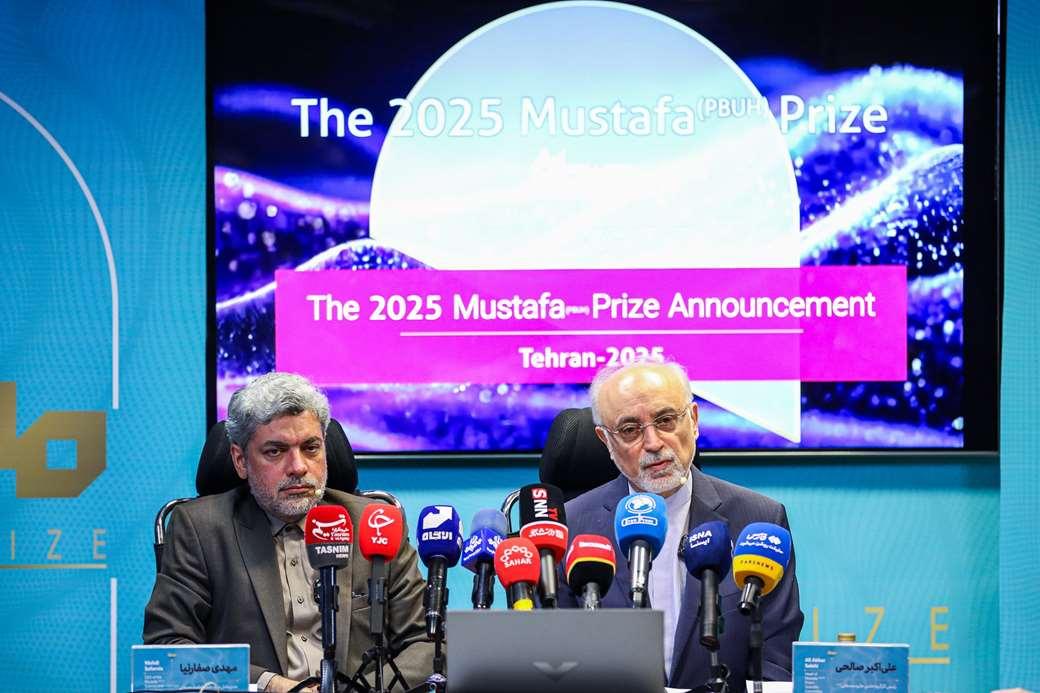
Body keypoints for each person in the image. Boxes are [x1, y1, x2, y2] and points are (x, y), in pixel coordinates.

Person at [144, 372, 433, 692]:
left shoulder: (375, 524)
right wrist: (269, 685)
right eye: (275, 451)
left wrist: (359, 690)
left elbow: (427, 643)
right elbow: (168, 650)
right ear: (240, 460)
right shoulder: (201, 529)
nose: (298, 467)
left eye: (311, 448)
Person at [557, 359, 803, 687]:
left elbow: (775, 664)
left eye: (666, 420)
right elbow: (555, 666)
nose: (653, 442)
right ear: (606, 441)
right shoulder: (570, 528)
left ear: (694, 421)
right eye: (630, 430)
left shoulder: (759, 520)